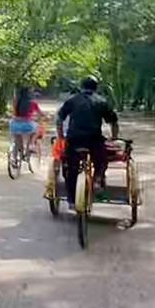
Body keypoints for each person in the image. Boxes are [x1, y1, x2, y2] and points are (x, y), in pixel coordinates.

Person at [55, 75, 119, 210]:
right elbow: (114, 122)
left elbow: (59, 119)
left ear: (81, 87)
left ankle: (71, 200)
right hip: (94, 140)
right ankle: (97, 179)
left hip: (74, 140)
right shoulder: (102, 101)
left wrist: (61, 136)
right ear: (96, 88)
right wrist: (113, 138)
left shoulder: (72, 101)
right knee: (101, 161)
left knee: (70, 168)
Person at [8, 83, 49, 163]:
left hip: (14, 124)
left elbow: (12, 112)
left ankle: (14, 158)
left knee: (17, 140)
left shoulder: (16, 102)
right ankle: (31, 145)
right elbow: (40, 114)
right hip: (27, 124)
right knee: (35, 131)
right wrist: (46, 117)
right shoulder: (33, 103)